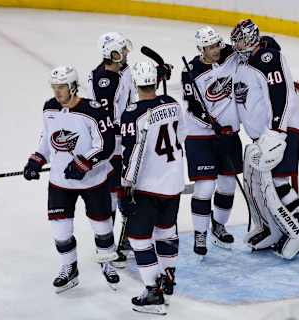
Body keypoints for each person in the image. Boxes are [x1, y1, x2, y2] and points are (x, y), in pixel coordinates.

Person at [23, 65, 120, 293]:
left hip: (93, 181)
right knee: (60, 231)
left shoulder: (92, 111)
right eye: (54, 87)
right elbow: (47, 139)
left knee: (102, 226)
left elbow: (106, 145)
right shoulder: (49, 108)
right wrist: (36, 160)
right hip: (60, 182)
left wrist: (83, 164)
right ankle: (69, 268)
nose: (57, 92)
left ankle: (107, 263)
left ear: (73, 87)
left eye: (62, 87)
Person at [230, 19, 299, 259]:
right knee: (261, 184)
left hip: (283, 132)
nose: (235, 44)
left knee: (278, 182)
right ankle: (274, 230)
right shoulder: (245, 63)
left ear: (250, 39)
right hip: (264, 136)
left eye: (239, 39)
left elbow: (282, 94)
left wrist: (278, 131)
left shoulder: (268, 58)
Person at [120, 61, 184, 315]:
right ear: (156, 82)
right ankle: (168, 276)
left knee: (138, 238)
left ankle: (153, 292)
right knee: (166, 231)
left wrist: (126, 187)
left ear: (135, 83)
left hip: (147, 186)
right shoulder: (172, 103)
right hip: (174, 182)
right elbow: (181, 136)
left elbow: (132, 154)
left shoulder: (132, 114)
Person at [181, 26, 243, 257]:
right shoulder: (191, 70)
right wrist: (211, 122)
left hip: (229, 134)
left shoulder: (230, 55)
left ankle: (218, 224)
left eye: (217, 44)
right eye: (210, 47)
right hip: (200, 136)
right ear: (201, 49)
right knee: (205, 187)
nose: (215, 50)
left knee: (227, 185)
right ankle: (200, 233)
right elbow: (193, 106)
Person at [88, 32, 136, 267]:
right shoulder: (104, 80)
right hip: (113, 145)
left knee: (124, 191)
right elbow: (111, 117)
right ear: (113, 54)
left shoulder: (119, 71)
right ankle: (108, 246)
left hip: (121, 141)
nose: (127, 53)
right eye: (122, 50)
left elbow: (131, 94)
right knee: (113, 195)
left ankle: (124, 240)